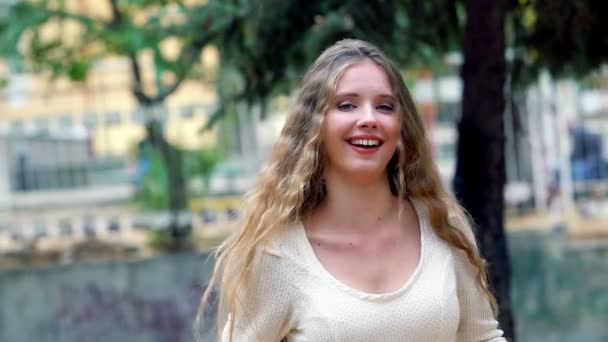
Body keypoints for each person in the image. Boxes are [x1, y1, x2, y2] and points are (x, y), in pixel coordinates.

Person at [194, 39, 506, 342]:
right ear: (315, 126)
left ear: (401, 127)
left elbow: (483, 337)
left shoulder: (442, 226)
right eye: (347, 105)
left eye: (384, 106)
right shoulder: (277, 255)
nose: (369, 119)